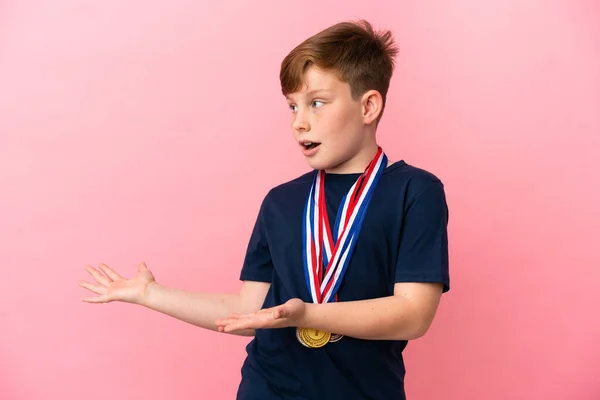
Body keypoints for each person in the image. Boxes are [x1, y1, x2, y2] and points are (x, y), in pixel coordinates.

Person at [79, 19, 450, 400]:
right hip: (267, 388)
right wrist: (151, 294)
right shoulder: (280, 201)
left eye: (317, 103)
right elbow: (248, 311)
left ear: (369, 105)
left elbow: (413, 314)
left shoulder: (415, 191)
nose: (299, 122)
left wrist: (307, 315)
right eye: (292, 106)